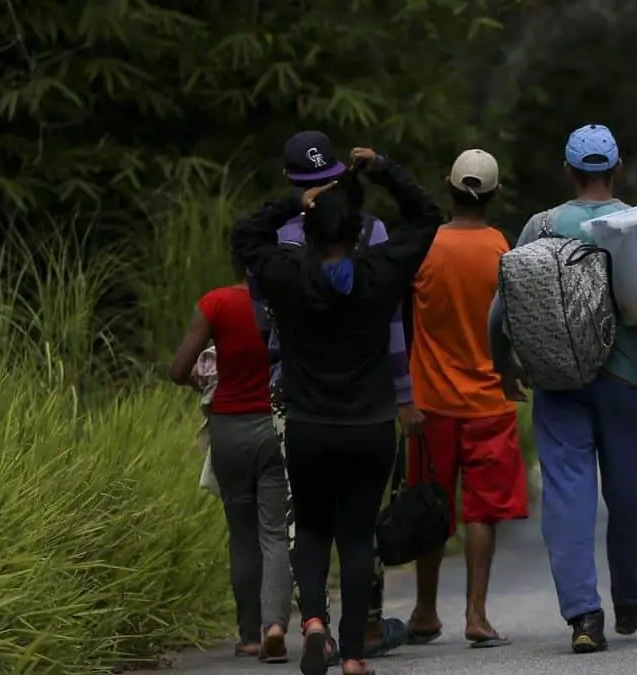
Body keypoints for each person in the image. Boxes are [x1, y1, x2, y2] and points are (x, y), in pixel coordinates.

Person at [232, 148, 442, 675]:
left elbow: (245, 237)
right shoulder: (381, 271)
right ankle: (351, 655)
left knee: (312, 531)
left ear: (309, 231)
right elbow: (427, 216)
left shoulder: (288, 276)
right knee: (355, 537)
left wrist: (294, 202)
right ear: (357, 233)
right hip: (370, 427)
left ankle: (313, 622)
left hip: (309, 426)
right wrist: (385, 170)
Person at [488, 124, 637, 654]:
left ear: (568, 171)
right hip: (627, 380)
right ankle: (630, 595)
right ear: (617, 168)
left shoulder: (540, 227)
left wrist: (503, 364)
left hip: (558, 379)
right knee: (627, 493)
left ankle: (584, 616)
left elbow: (502, 306)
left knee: (566, 494)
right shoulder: (636, 223)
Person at [403, 149, 528, 649]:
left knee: (430, 506)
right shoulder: (501, 250)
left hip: (429, 402)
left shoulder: (424, 248)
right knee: (482, 512)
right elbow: (512, 324)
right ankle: (476, 616)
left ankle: (424, 611)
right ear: (495, 194)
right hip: (490, 402)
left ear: (447, 186)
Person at [169, 255, 293, 664]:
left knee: (242, 535)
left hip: (229, 430)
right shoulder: (284, 302)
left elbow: (178, 368)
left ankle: (250, 637)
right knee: (274, 533)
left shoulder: (216, 304)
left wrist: (206, 385)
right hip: (274, 426)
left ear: (234, 262)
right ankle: (275, 626)